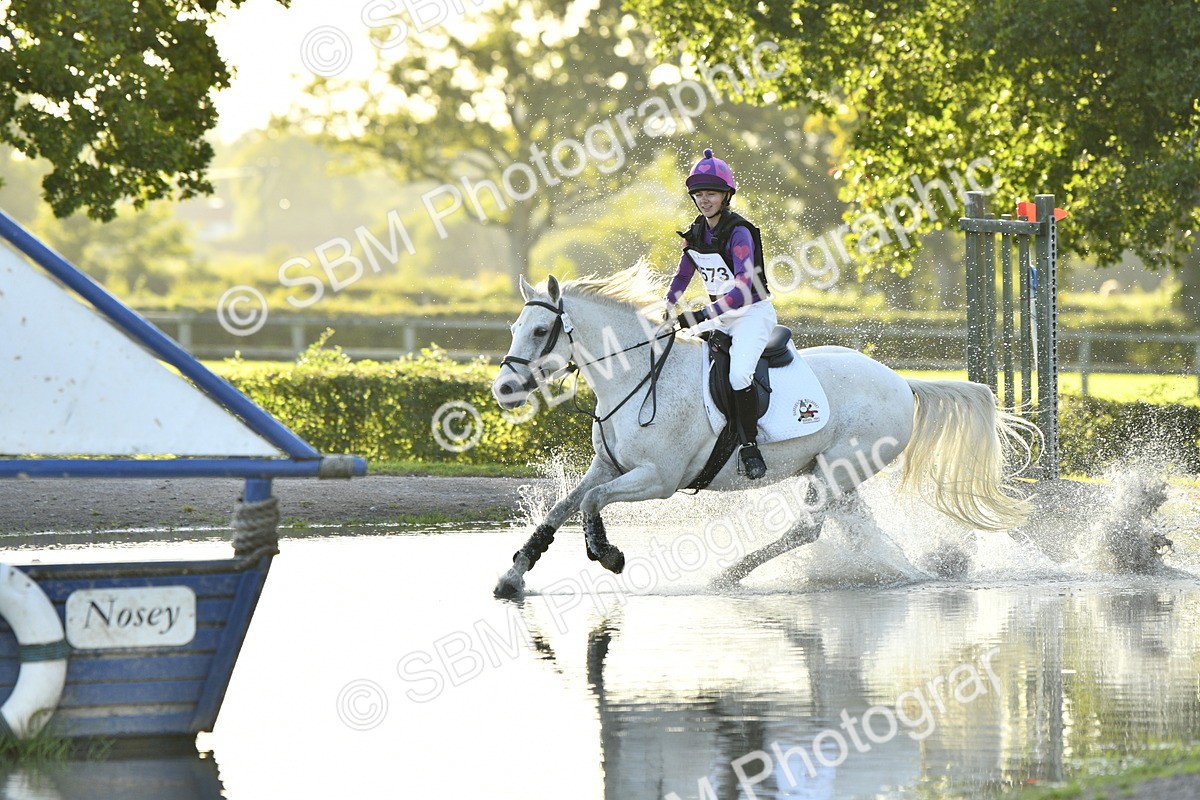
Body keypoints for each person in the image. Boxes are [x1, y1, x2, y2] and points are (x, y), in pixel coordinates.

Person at [664, 148, 776, 480]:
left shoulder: (739, 231)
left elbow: (743, 287)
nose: (704, 199)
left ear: (726, 195)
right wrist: (667, 306)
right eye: (698, 194)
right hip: (721, 315)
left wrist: (702, 314)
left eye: (710, 193)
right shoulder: (695, 232)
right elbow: (683, 276)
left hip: (752, 314)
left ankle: (750, 444)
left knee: (739, 375)